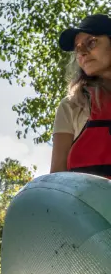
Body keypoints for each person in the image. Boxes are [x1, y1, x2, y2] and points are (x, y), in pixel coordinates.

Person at [51, 14, 111, 176]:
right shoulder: (70, 106)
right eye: (78, 48)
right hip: (88, 201)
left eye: (91, 42)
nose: (82, 52)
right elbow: (57, 176)